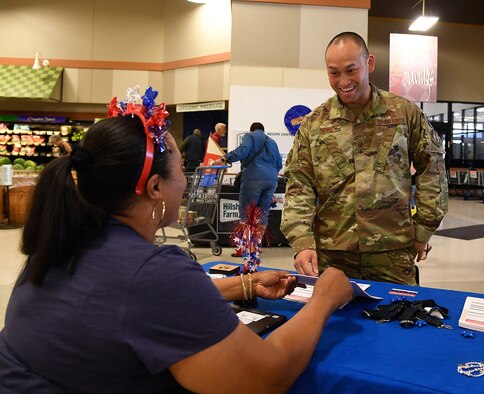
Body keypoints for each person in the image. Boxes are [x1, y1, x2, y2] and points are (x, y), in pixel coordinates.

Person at [0, 99, 353, 393]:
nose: (185, 180)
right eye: (181, 168)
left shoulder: (62, 243)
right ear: (155, 187)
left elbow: (132, 309)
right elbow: (267, 377)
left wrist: (241, 284)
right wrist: (324, 299)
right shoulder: (154, 271)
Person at [281, 32, 448, 285]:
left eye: (351, 70)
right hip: (332, 255)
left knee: (397, 320)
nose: (343, 81)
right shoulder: (314, 124)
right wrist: (301, 240)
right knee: (334, 323)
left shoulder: (404, 114)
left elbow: (432, 168)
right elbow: (299, 184)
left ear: (369, 64)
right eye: (334, 73)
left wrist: (424, 228)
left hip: (393, 252)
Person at [213, 122, 283, 250]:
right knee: (262, 214)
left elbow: (242, 151)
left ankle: (246, 248)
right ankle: (256, 247)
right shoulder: (272, 141)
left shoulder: (249, 136)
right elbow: (279, 162)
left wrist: (224, 158)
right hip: (272, 180)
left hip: (253, 178)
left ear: (252, 130)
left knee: (247, 214)